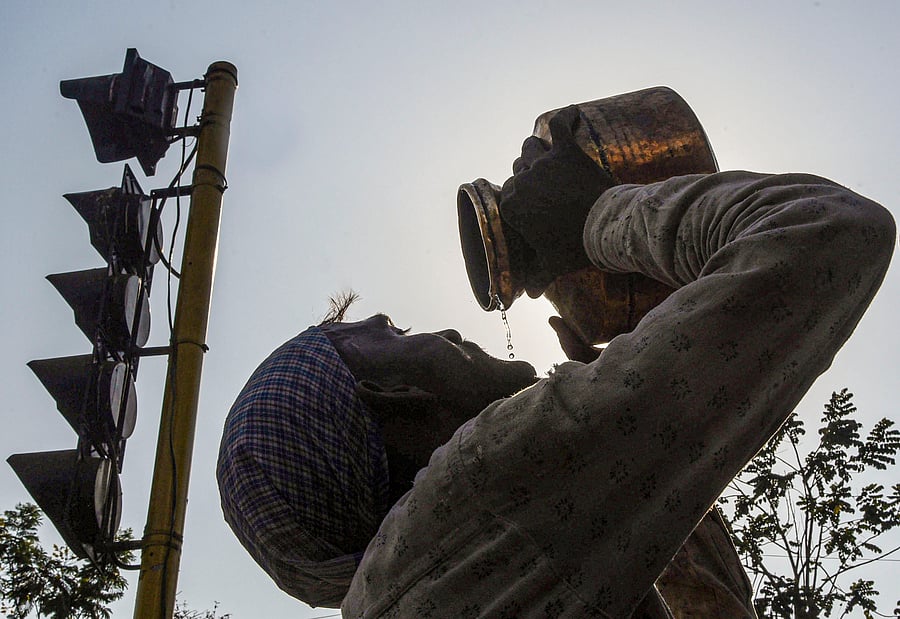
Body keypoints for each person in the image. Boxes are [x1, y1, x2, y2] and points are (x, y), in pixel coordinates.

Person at [216, 107, 895, 617]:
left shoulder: (415, 585)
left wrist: (636, 378)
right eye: (395, 330)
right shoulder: (477, 485)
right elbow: (829, 231)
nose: (446, 328)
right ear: (391, 393)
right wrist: (598, 217)